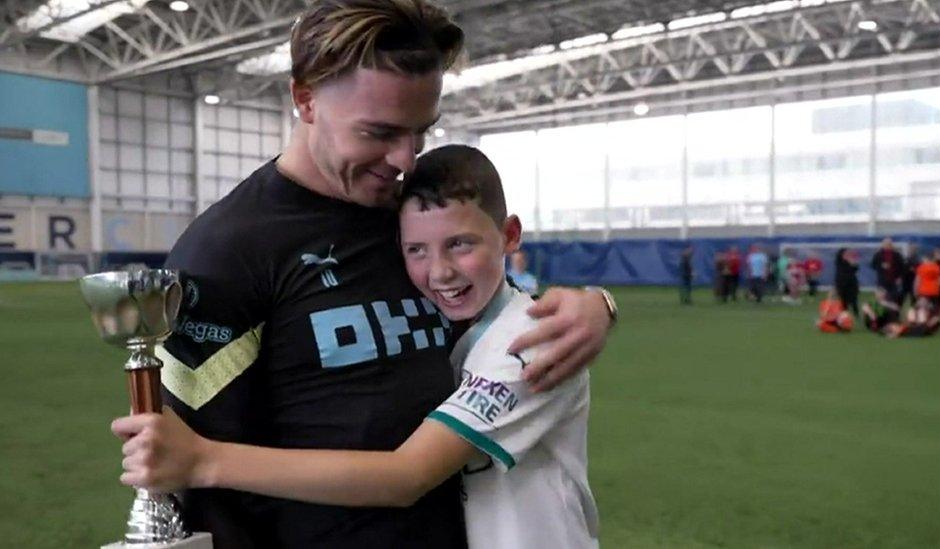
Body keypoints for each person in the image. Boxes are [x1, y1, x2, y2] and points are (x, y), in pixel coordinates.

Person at [147, 2, 614, 547]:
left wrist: (597, 304)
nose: (404, 160)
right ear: (305, 99)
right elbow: (188, 469)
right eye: (379, 132)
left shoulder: (410, 217)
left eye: (421, 132)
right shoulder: (226, 252)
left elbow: (490, 310)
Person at [113, 145, 600, 549]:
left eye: (461, 245)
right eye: (417, 250)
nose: (440, 272)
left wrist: (204, 460)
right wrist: (603, 304)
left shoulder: (531, 342)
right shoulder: (462, 323)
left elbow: (406, 475)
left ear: (510, 236)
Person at [870, 237, 905, 304]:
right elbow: (872, 265)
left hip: (893, 279)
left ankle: (893, 311)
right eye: (886, 244)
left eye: (889, 244)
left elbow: (902, 267)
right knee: (881, 296)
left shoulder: (897, 254)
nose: (888, 245)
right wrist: (881, 265)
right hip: (882, 280)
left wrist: (900, 277)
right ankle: (880, 310)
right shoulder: (878, 254)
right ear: (883, 244)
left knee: (894, 296)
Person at [834, 247, 860, 316]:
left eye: (847, 254)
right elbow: (842, 271)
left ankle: (856, 313)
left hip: (852, 283)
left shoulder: (851, 261)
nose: (847, 255)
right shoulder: (839, 261)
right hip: (842, 282)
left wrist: (852, 262)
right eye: (845, 254)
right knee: (843, 299)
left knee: (853, 298)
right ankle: (845, 313)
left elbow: (855, 269)